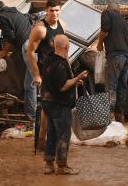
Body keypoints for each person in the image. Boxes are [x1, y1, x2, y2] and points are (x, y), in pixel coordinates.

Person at [41, 34, 88, 175]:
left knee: (52, 133)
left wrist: (74, 81)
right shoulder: (60, 64)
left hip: (48, 103)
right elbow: (62, 86)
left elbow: (57, 83)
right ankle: (62, 166)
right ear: (67, 47)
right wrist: (78, 78)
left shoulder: (48, 60)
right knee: (63, 135)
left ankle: (49, 164)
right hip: (59, 104)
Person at [0, 1, 36, 121]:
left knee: (30, 85)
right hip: (35, 44)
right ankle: (37, 113)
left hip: (28, 48)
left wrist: (3, 52)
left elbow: (10, 37)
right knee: (35, 81)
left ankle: (33, 116)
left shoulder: (1, 17)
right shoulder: (18, 12)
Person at [95, 2, 128, 123]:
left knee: (111, 86)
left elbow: (104, 31)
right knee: (122, 86)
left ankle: (109, 116)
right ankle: (120, 115)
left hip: (115, 55)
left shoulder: (106, 13)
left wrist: (99, 44)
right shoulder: (124, 21)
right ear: (119, 11)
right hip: (127, 56)